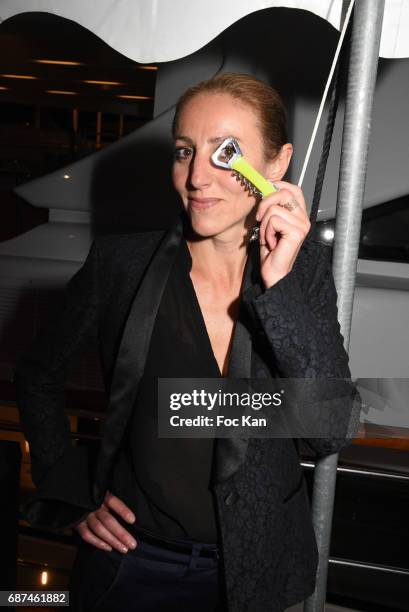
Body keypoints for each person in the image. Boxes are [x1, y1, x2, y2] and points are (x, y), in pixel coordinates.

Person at [15, 73, 360, 612]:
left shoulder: (305, 270)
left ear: (276, 164)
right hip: (130, 568)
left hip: (255, 574)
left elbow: (330, 428)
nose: (197, 177)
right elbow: (38, 375)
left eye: (227, 153)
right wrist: (70, 487)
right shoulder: (121, 266)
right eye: (184, 151)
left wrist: (281, 286)